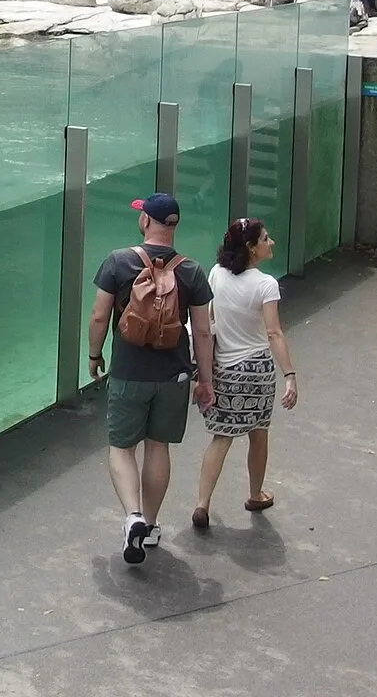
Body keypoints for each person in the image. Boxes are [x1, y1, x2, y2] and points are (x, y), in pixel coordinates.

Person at [88, 192, 215, 564]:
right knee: (158, 446)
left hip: (128, 373)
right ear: (173, 225)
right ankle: (152, 524)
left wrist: (95, 356)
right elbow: (204, 332)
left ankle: (133, 517)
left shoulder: (118, 262)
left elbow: (99, 316)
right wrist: (203, 378)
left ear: (146, 221)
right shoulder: (191, 270)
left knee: (121, 447)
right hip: (173, 376)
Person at [192, 218, 297, 528]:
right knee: (258, 433)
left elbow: (209, 320)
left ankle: (202, 504)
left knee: (221, 437)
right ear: (252, 248)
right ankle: (255, 494)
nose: (271, 242)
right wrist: (289, 374)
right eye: (266, 239)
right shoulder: (266, 285)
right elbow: (274, 333)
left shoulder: (216, 274)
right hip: (257, 371)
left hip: (225, 368)